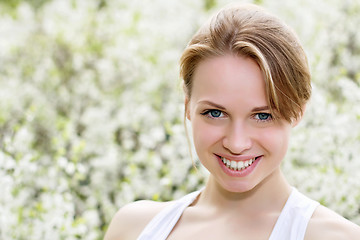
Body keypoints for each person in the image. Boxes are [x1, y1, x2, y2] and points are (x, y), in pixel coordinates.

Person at [104, 3, 360, 240]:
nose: (236, 144)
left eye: (262, 116)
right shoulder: (132, 228)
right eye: (215, 113)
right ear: (187, 107)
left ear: (298, 111)